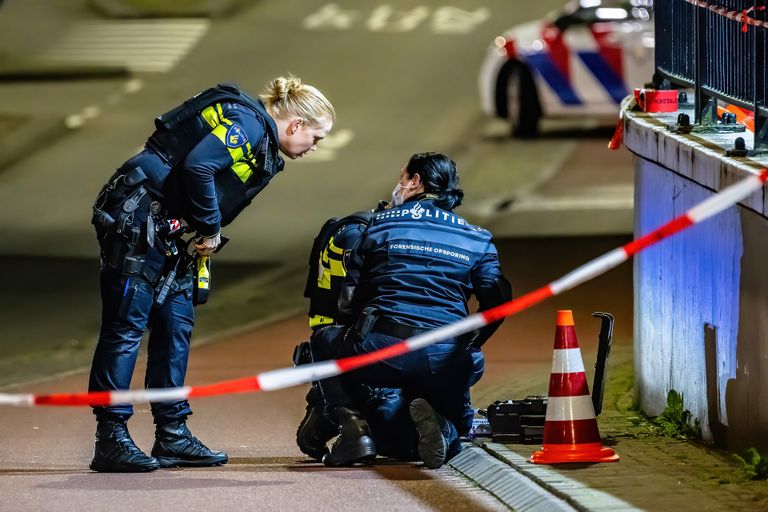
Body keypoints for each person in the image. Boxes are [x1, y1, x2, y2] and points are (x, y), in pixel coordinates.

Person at [88, 76, 335, 473]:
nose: (314, 147)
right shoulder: (251, 125)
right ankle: (111, 438)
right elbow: (199, 166)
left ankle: (172, 434)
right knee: (125, 327)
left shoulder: (257, 135)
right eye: (316, 138)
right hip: (139, 219)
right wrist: (210, 228)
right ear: (295, 125)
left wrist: (201, 229)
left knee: (174, 325)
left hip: (169, 230)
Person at [311, 152, 511, 468]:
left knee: (323, 340)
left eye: (401, 177)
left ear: (415, 182)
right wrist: (469, 345)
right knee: (458, 428)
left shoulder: (377, 225)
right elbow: (498, 303)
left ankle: (353, 432)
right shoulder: (477, 239)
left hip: (383, 350)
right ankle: (446, 429)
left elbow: (347, 302)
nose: (398, 184)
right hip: (446, 358)